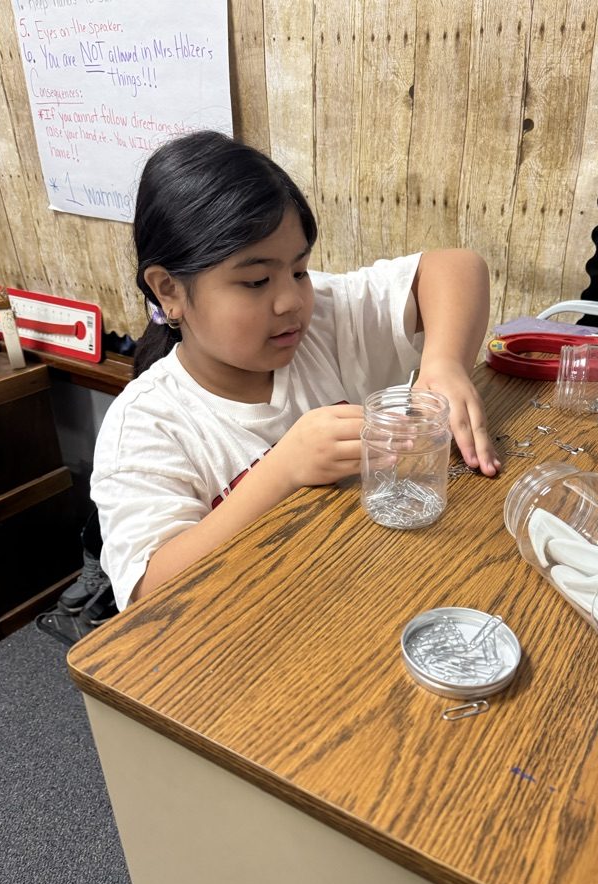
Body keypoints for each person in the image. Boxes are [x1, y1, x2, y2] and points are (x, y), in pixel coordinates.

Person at [92, 130, 501, 611]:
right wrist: (282, 471)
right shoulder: (145, 425)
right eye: (256, 281)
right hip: (250, 629)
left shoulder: (322, 321)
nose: (291, 300)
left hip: (357, 594)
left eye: (299, 270)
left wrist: (443, 362)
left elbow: (457, 267)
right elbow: (149, 595)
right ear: (169, 290)